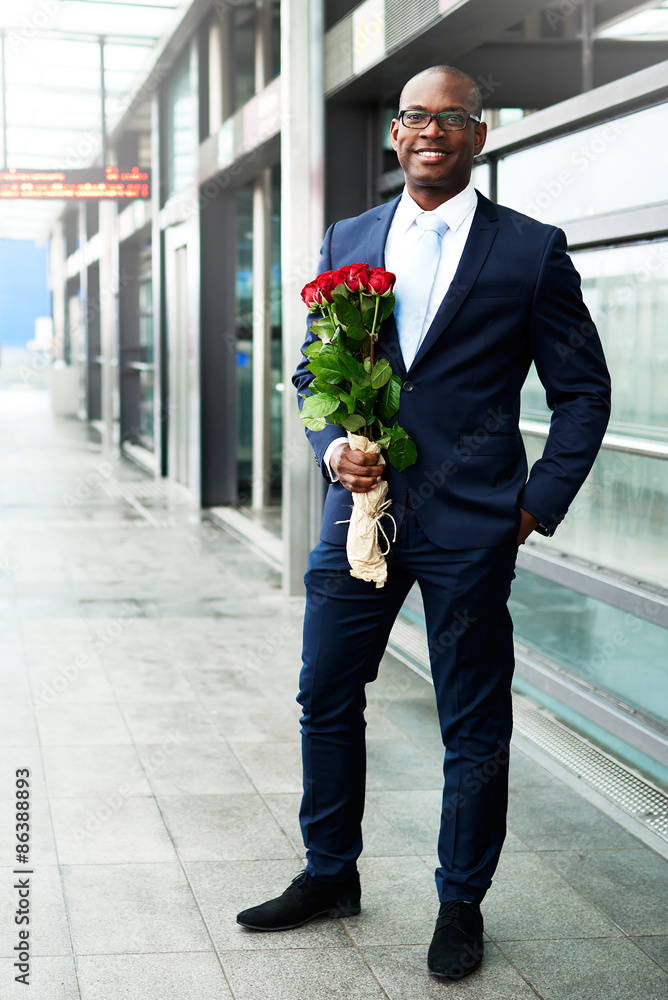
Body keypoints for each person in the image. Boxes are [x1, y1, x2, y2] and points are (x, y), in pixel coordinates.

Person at [237, 65, 611, 980]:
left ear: (479, 136)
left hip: (474, 523)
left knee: (472, 721)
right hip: (356, 519)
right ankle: (330, 874)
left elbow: (583, 393)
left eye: (451, 118)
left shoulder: (529, 250)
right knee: (324, 692)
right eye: (414, 117)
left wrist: (531, 509)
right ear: (394, 135)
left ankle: (460, 904)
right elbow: (311, 372)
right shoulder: (349, 237)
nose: (429, 130)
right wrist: (332, 449)